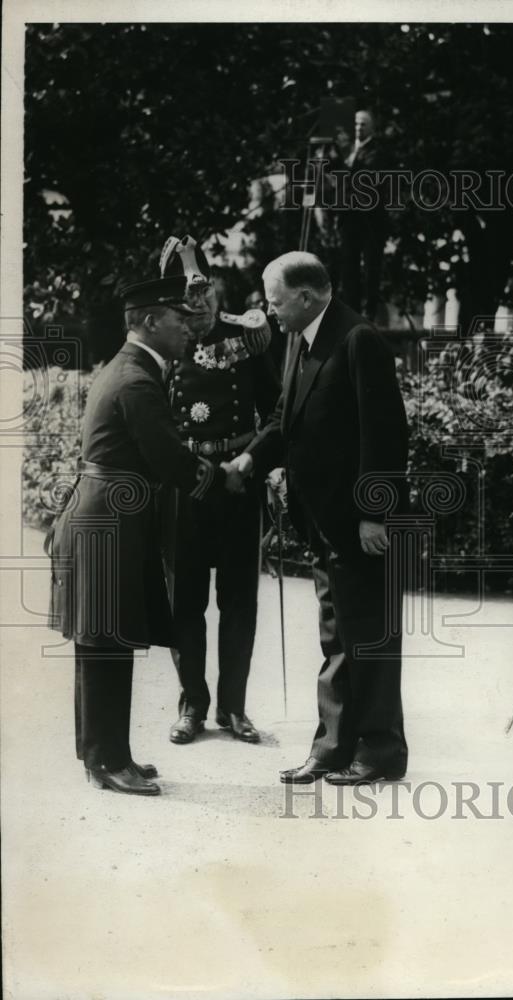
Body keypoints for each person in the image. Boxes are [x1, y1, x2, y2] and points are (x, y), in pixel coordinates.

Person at [48, 276, 243, 795]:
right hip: (110, 519)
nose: (189, 329)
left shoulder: (128, 368)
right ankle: (109, 761)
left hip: (107, 513)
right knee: (106, 642)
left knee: (102, 640)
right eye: (179, 319)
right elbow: (170, 458)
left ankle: (103, 755)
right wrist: (223, 477)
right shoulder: (136, 379)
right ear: (152, 321)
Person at [231, 251, 409, 785]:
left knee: (368, 637)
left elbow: (385, 434)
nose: (270, 310)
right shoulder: (303, 340)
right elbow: (284, 418)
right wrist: (250, 460)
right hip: (325, 523)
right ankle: (333, 747)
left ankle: (380, 751)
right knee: (338, 637)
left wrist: (375, 515)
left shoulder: (358, 340)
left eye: (276, 301)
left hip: (359, 525)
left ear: (306, 297)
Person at [159, 235, 280, 745]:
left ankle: (234, 707)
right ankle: (193, 704)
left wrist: (257, 459)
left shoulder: (245, 337)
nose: (200, 302)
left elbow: (276, 411)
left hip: (236, 481)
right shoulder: (164, 342)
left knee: (239, 600)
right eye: (188, 295)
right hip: (186, 487)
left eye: (205, 290)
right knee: (185, 601)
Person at [328, 109, 388, 322]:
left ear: (372, 128)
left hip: (371, 219)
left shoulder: (377, 151)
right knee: (349, 266)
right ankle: (351, 312)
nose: (358, 128)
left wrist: (344, 162)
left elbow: (366, 176)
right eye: (355, 123)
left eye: (363, 124)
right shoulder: (347, 150)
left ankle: (369, 311)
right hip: (349, 217)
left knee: (371, 267)